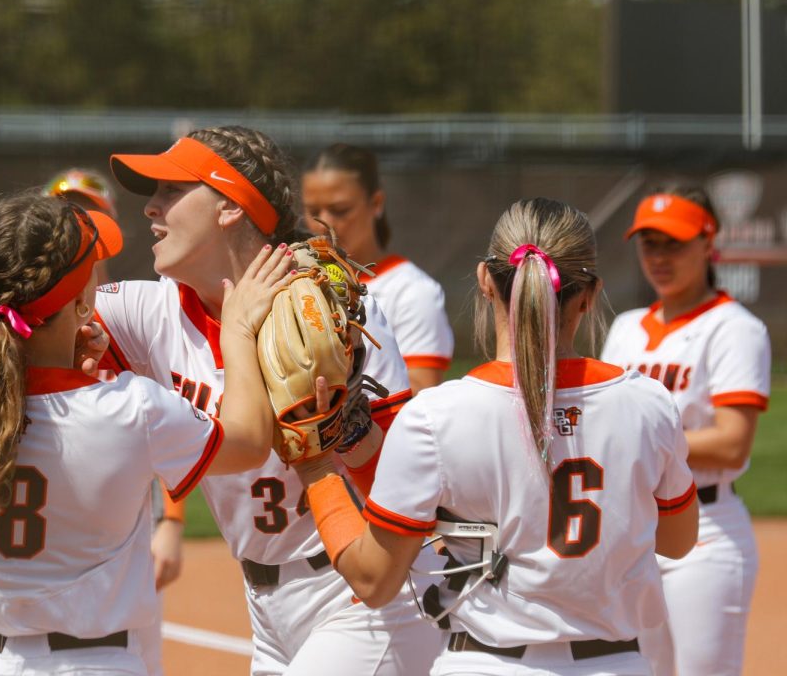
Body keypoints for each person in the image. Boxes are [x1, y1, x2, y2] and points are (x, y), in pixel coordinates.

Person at [296, 197, 699, 676]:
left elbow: (374, 581)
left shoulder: (436, 416)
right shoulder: (648, 403)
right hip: (617, 665)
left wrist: (317, 467)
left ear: (486, 280)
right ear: (589, 294)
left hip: (487, 665)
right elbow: (677, 541)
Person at [97, 127, 442, 675]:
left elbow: (407, 494)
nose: (151, 208)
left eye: (170, 191)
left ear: (230, 207)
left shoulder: (323, 312)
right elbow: (3, 329)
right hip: (263, 607)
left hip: (364, 593)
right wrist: (73, 334)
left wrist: (342, 429)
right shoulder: (144, 314)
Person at [0, 192, 288, 675]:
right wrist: (236, 332)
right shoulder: (130, 408)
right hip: (95, 664)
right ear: (84, 299)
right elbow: (250, 442)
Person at [601, 186, 769, 676]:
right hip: (633, 531)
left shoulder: (733, 327)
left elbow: (732, 441)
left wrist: (637, 446)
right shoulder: (627, 328)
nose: (659, 256)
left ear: (708, 243)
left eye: (673, 243)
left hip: (707, 533)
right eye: (649, 243)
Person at [47, 165, 183, 674]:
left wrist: (171, 522)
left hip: (127, 513)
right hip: (54, 502)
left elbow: (175, 414)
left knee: (137, 652)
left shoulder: (135, 309)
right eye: (65, 210)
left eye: (88, 211)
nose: (76, 221)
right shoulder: (34, 313)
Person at [302, 143, 454, 392]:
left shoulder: (411, 290)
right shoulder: (295, 280)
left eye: (340, 210)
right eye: (313, 211)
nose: (324, 223)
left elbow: (421, 392)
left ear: (376, 203)